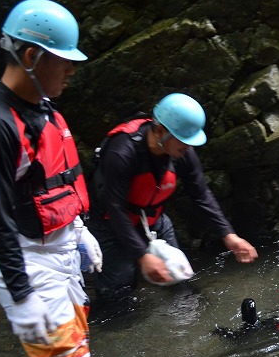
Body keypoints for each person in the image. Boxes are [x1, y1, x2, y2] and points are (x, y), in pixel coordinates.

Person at [0, 0, 101, 357]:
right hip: (27, 261)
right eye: (64, 61)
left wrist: (78, 231)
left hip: (60, 253)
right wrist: (22, 297)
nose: (71, 71)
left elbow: (53, 182)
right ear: (31, 56)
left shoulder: (44, 110)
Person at [87, 92, 258, 300]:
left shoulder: (181, 152)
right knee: (118, 296)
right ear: (160, 131)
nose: (188, 147)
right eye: (184, 140)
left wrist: (228, 235)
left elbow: (201, 193)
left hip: (153, 219)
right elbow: (115, 209)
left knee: (179, 281)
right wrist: (143, 256)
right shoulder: (122, 152)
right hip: (110, 224)